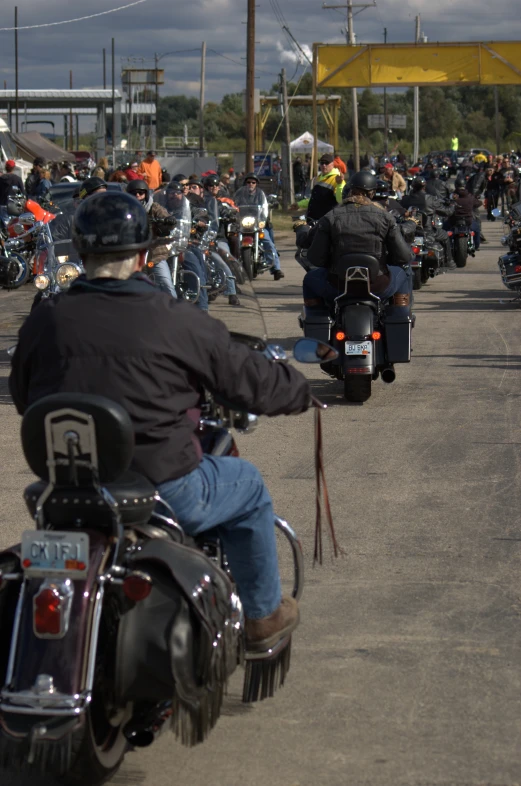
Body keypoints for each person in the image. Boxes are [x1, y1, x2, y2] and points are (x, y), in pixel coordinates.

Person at [9, 190, 308, 650]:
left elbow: (25, 398)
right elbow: (248, 381)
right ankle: (261, 617)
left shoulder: (45, 319)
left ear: (83, 253)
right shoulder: (175, 318)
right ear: (145, 255)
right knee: (246, 483)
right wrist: (297, 389)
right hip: (162, 488)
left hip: (65, 490)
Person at [303, 171, 413, 319]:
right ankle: (399, 320)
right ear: (372, 193)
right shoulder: (386, 218)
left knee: (309, 279)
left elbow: (316, 259)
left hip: (338, 286)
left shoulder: (331, 216)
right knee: (403, 274)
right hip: (378, 285)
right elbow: (403, 257)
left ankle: (317, 320)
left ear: (349, 191)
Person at [126, 179, 177, 298]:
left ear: (146, 194)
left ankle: (174, 311)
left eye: (140, 193)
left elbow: (166, 216)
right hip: (131, 252)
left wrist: (170, 220)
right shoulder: (124, 209)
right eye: (134, 193)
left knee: (166, 283)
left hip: (154, 252)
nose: (137, 195)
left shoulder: (154, 207)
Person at [234, 173, 284, 280]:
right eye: (248, 182)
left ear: (256, 184)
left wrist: (262, 220)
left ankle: (276, 269)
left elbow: (264, 208)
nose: (251, 184)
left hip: (257, 224)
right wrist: (233, 212)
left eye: (253, 182)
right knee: (233, 240)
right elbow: (234, 205)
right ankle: (233, 267)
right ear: (245, 183)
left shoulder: (260, 194)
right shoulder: (239, 193)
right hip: (243, 223)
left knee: (268, 242)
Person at [401, 176, 456, 269]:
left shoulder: (405, 199)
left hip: (409, 232)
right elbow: (447, 212)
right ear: (424, 186)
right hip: (427, 232)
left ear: (412, 186)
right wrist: (452, 205)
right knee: (445, 236)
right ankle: (449, 261)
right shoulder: (430, 199)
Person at [294, 153, 344, 221]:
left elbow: (341, 200)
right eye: (322, 163)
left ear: (332, 164)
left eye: (327, 163)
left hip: (326, 222)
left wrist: (340, 184)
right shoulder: (319, 178)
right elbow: (314, 199)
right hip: (313, 220)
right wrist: (299, 204)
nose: (324, 165)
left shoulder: (337, 179)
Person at [448, 178, 482, 251]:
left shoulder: (451, 196)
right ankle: (476, 246)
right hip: (468, 220)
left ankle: (446, 247)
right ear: (464, 185)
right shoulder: (470, 196)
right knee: (477, 229)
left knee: (443, 230)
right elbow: (478, 203)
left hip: (454, 220)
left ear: (456, 185)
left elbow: (445, 203)